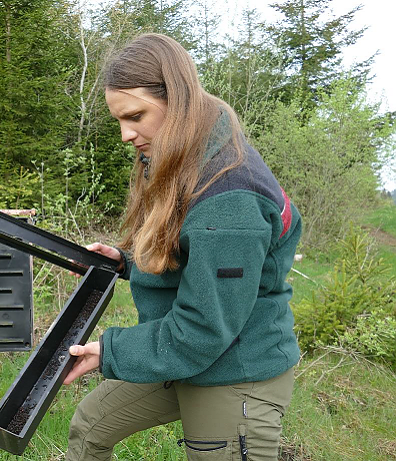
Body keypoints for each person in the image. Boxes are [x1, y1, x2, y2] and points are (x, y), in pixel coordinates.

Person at [62, 33, 302, 461]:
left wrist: (110, 351)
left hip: (235, 368)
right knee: (90, 428)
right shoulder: (195, 160)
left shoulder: (230, 198)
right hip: (190, 350)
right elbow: (196, 256)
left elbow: (204, 329)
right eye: (119, 119)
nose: (125, 134)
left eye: (135, 115)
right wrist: (127, 263)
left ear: (179, 99)